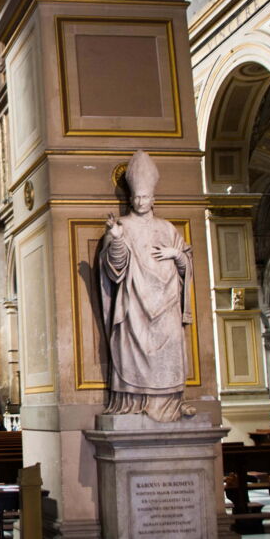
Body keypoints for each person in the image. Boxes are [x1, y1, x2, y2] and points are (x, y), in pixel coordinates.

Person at [98, 150, 195, 422]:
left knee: (173, 346)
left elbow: (186, 266)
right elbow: (115, 269)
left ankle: (171, 402)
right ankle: (134, 400)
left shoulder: (168, 228)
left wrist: (177, 256)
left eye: (145, 196)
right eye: (136, 196)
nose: (141, 200)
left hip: (167, 304)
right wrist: (116, 239)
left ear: (154, 199)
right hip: (135, 306)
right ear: (131, 198)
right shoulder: (123, 226)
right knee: (131, 350)